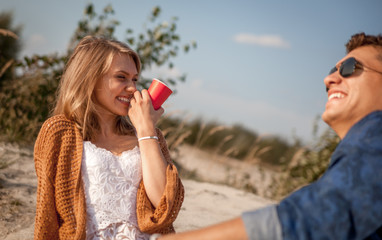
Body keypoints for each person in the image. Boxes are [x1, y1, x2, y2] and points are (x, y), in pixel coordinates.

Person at [155, 32, 382, 240]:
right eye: (333, 70)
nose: (329, 79)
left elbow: (314, 219)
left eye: (350, 67)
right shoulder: (363, 149)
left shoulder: (376, 134)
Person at [33, 36, 184, 240]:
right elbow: (46, 215)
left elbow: (165, 206)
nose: (132, 88)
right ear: (90, 78)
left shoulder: (148, 136)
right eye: (121, 77)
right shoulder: (60, 132)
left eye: (134, 79)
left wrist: (146, 128)